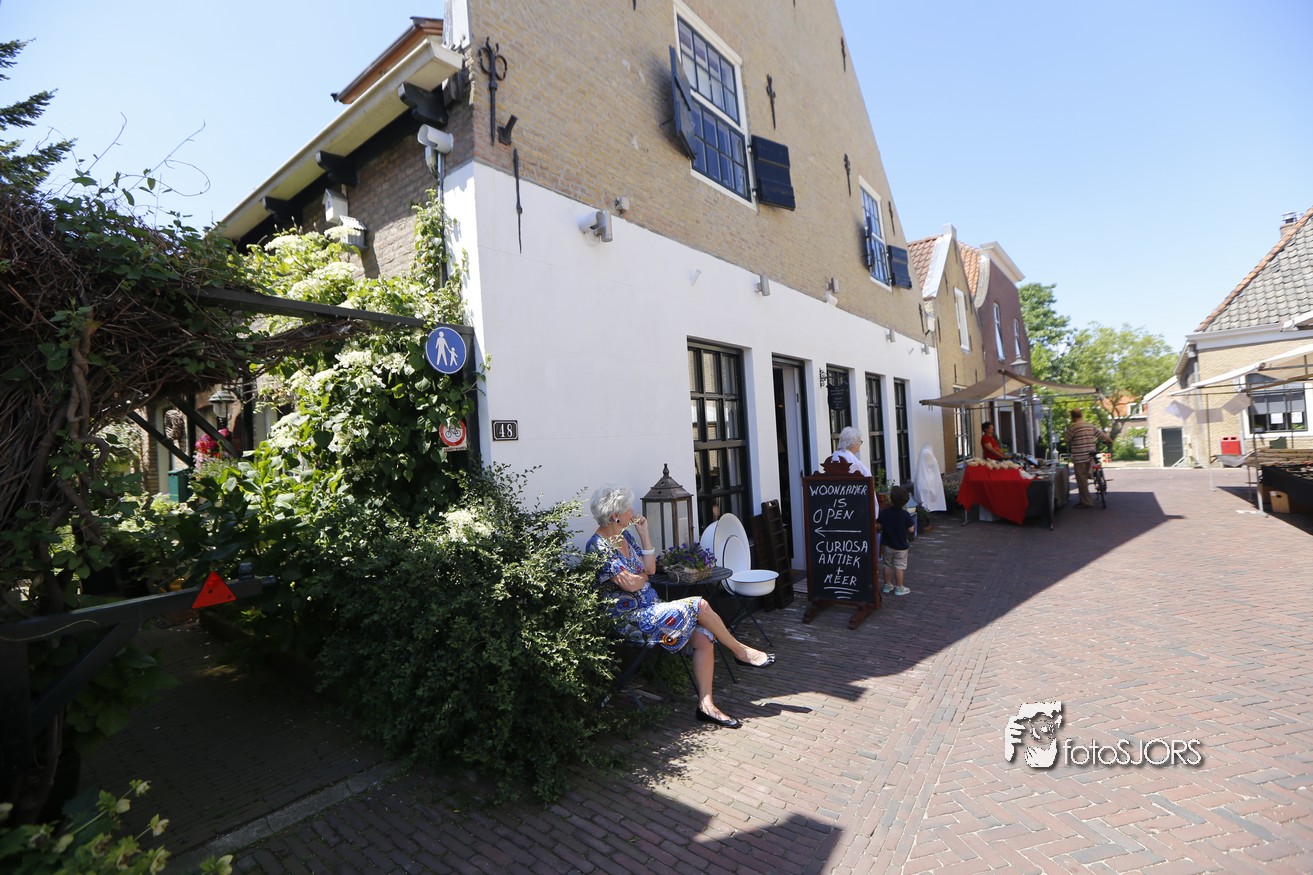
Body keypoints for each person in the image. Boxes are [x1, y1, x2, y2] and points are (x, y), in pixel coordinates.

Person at [586, 484, 774, 729]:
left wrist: (644, 534)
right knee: (699, 604)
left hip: (653, 611)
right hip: (630, 620)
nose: (632, 512)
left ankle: (706, 706)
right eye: (628, 508)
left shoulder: (625, 536)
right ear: (615, 515)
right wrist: (642, 577)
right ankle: (740, 651)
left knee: (704, 637)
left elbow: (650, 569)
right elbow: (631, 584)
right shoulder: (598, 545)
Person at [1063, 409, 1110, 508]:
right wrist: (1109, 440)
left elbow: (1066, 440)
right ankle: (1095, 477)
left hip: (1079, 458)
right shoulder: (1090, 425)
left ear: (1073, 417)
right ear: (1081, 415)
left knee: (1082, 480)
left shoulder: (1073, 427)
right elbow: (1102, 435)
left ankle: (1086, 501)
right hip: (1091, 456)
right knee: (1092, 469)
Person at [876, 485, 916, 596]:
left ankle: (887, 585)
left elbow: (878, 526)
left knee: (887, 565)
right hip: (901, 546)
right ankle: (899, 587)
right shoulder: (905, 515)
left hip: (887, 544)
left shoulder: (884, 512)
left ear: (891, 499)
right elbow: (911, 529)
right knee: (899, 566)